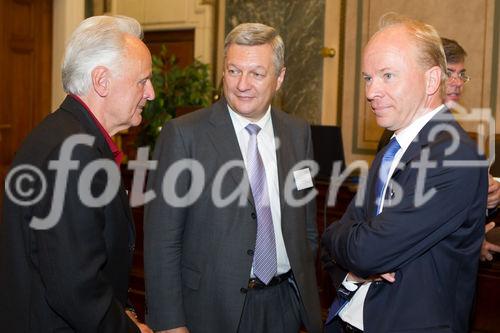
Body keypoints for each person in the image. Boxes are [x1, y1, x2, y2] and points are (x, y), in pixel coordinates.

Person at [144, 23, 322, 333]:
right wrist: (170, 324)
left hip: (285, 305)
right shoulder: (184, 135)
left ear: (279, 78)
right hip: (212, 311)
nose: (242, 84)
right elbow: (162, 241)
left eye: (256, 73)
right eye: (234, 70)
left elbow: (305, 222)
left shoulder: (297, 132)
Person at [322, 13, 487, 332]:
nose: (371, 92)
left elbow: (365, 250)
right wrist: (349, 251)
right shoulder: (394, 147)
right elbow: (341, 245)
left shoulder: (454, 157)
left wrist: (342, 239)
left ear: (431, 80)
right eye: (368, 78)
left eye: (387, 75)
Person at [0, 15, 155, 332]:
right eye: (142, 81)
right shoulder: (73, 154)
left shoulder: (68, 136)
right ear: (102, 81)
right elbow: (76, 290)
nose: (150, 92)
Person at [377, 37, 500, 261]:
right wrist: (470, 242)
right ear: (429, 77)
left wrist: (485, 200)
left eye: (461, 74)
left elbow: (452, 203)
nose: (458, 81)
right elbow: (401, 213)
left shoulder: (454, 135)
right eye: (450, 72)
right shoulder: (401, 130)